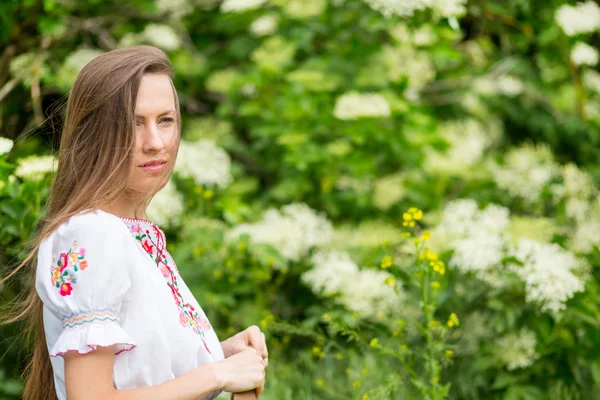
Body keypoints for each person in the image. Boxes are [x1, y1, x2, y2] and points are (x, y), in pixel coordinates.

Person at [2, 46, 267, 400]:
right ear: (92, 133)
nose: (156, 143)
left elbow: (137, 375)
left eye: (165, 120)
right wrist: (217, 374)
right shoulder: (92, 234)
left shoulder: (127, 233)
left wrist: (218, 354)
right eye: (132, 124)